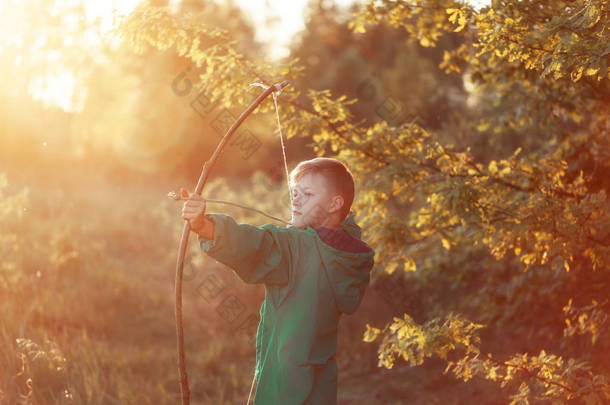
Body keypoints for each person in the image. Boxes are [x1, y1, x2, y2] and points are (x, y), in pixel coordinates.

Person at [181, 157, 375, 404]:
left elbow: (253, 244)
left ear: (335, 203)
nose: (295, 199)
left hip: (285, 381)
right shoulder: (349, 252)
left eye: (307, 194)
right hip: (321, 381)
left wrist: (204, 225)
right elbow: (333, 228)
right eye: (295, 192)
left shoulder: (295, 246)